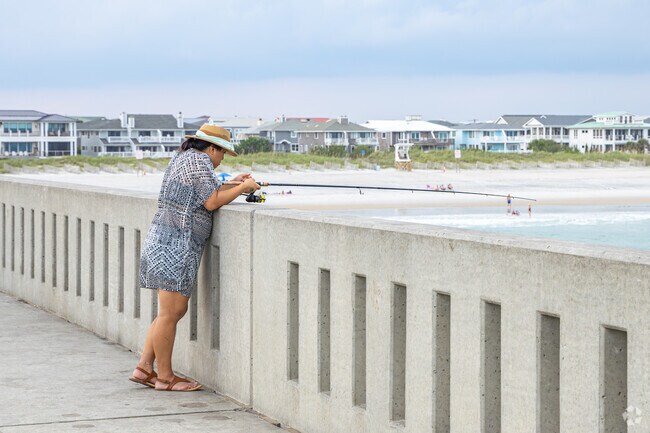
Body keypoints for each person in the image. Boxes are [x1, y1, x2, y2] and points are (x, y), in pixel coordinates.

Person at [129, 124, 260, 392]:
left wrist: (235, 183)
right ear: (212, 148)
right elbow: (211, 202)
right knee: (172, 312)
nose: (221, 159)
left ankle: (144, 367)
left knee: (167, 312)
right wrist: (244, 186)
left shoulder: (184, 158)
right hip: (177, 243)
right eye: (222, 153)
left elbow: (201, 193)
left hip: (164, 238)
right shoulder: (200, 162)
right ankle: (165, 378)